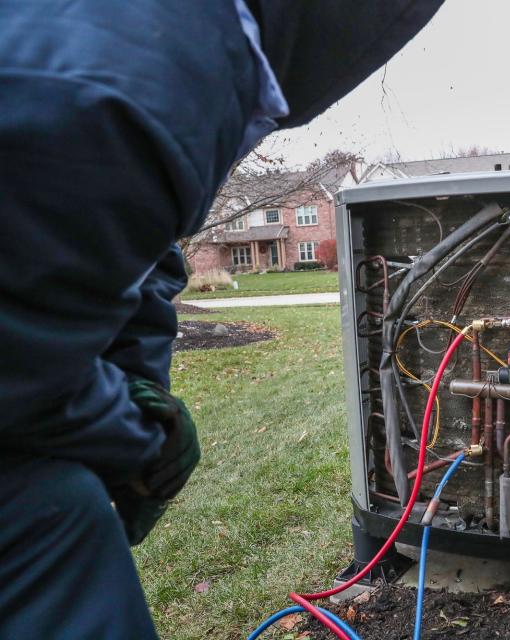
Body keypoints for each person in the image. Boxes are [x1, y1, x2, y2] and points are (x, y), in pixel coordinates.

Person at [0, 1, 443, 637]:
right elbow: (17, 355)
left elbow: (147, 268)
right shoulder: (130, 92)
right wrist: (135, 442)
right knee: (55, 521)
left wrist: (141, 393)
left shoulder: (158, 52)